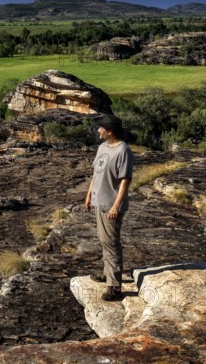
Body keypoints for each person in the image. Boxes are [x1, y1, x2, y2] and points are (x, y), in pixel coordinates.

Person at [85, 114, 134, 302]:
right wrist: (89, 194)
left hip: (110, 205)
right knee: (104, 241)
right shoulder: (102, 147)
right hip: (99, 201)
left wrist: (116, 206)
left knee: (111, 244)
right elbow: (95, 173)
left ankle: (114, 288)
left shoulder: (124, 151)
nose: (98, 130)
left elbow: (125, 181)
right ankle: (108, 274)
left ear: (110, 131)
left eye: (101, 128)